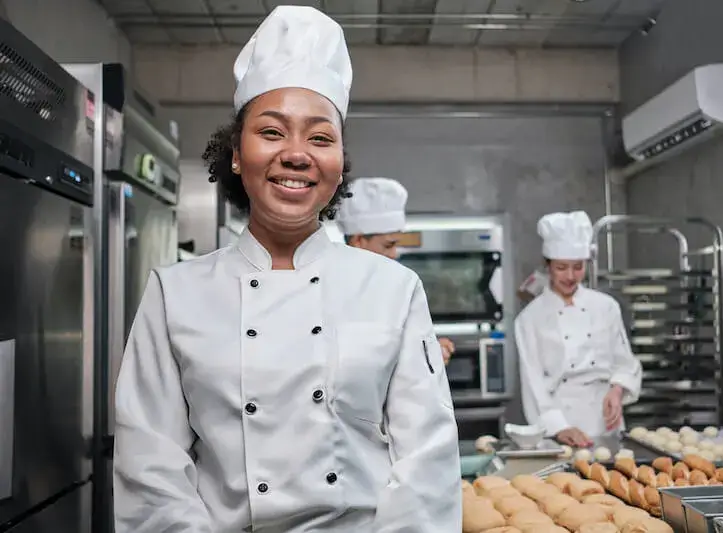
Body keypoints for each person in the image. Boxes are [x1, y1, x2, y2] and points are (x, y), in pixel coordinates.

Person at [112, 6, 461, 533]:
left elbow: (426, 464)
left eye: (320, 138)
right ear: (236, 153)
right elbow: (150, 468)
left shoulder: (393, 289)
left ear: (339, 162)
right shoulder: (174, 294)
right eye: (272, 132)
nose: (297, 154)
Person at [515, 211, 642, 449]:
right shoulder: (530, 318)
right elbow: (533, 383)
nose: (571, 276)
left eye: (578, 267)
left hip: (607, 424)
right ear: (548, 266)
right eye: (562, 268)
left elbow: (625, 362)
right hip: (559, 424)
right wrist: (560, 427)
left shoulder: (606, 307)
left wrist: (617, 390)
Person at [336, 176, 456, 364]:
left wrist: (429, 350)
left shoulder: (388, 287)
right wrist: (424, 358)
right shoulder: (335, 289)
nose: (394, 254)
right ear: (358, 241)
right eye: (388, 245)